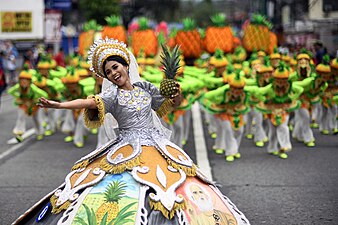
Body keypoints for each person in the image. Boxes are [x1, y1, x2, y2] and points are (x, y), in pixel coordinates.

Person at [13, 38, 250, 225]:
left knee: (167, 185)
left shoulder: (145, 87)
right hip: (125, 147)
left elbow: (168, 104)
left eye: (115, 67)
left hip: (158, 145)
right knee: (125, 187)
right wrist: (59, 105)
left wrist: (176, 94)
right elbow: (89, 102)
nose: (113, 73)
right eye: (108, 72)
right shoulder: (112, 95)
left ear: (126, 65)